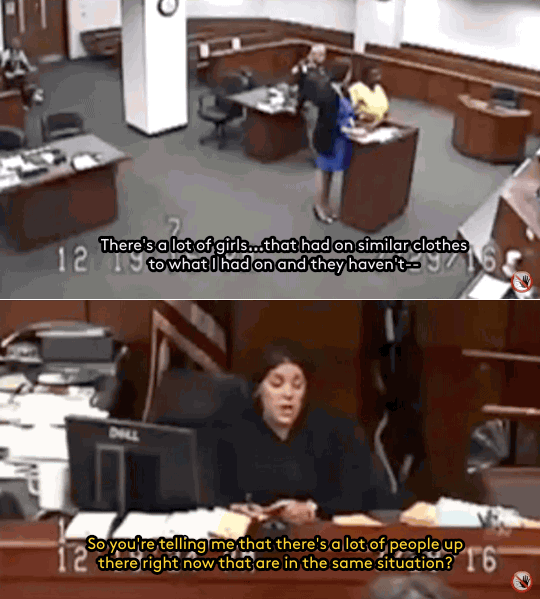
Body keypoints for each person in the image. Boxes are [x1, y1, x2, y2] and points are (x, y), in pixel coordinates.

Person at [216, 341, 376, 524]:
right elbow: (217, 494)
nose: (288, 394)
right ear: (258, 389)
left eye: (297, 385)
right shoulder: (234, 431)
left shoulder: (337, 431)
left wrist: (312, 509)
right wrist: (234, 508)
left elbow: (358, 495)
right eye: (277, 384)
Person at [311, 81, 356, 223]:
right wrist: (346, 128)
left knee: (329, 172)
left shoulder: (343, 92)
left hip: (339, 139)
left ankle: (326, 205)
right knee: (323, 171)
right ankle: (319, 207)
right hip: (328, 137)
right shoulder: (328, 92)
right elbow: (329, 118)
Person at [1, 37, 44, 109]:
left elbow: (27, 64)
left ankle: (34, 94)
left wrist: (31, 69)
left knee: (27, 80)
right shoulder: (7, 55)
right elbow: (4, 71)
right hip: (10, 79)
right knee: (23, 84)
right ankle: (30, 99)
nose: (16, 56)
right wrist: (13, 73)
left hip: (19, 77)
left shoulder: (20, 53)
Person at [348, 65, 389, 130]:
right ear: (365, 76)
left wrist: (377, 123)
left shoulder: (378, 88)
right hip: (361, 126)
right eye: (374, 75)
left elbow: (386, 112)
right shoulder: (356, 88)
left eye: (378, 75)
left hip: (379, 125)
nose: (377, 78)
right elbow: (349, 111)